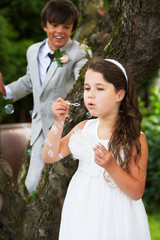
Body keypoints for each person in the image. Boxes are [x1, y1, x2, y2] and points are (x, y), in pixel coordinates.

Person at [42, 58, 151, 240]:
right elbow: (49, 156)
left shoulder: (135, 139)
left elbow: (136, 191)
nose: (90, 95)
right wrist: (59, 122)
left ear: (119, 95)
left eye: (99, 89)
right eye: (87, 88)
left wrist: (111, 166)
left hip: (116, 212)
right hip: (82, 208)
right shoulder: (84, 128)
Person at [0, 0, 91, 194]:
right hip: (40, 126)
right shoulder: (33, 51)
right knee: (32, 184)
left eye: (66, 26)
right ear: (44, 26)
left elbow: (82, 77)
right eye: (54, 25)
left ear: (73, 28)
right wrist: (5, 90)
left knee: (69, 184)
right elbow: (29, 81)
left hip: (66, 126)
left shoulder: (79, 52)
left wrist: (86, 83)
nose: (60, 31)